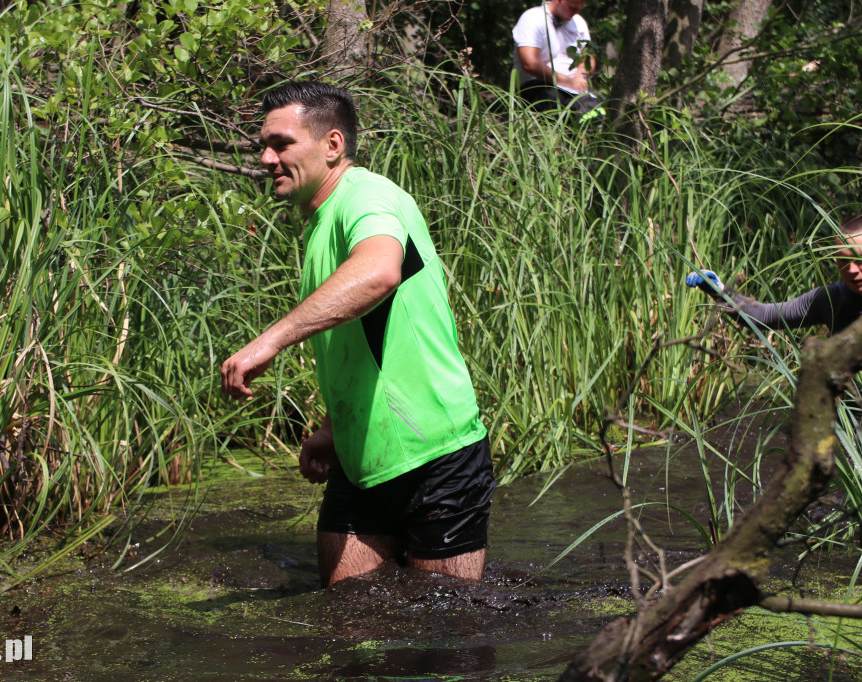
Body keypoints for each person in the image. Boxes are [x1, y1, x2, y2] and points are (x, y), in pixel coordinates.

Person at [220, 81, 496, 588]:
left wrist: (271, 340)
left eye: (281, 143)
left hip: (436, 455)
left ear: (332, 145)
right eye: (263, 145)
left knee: (449, 637)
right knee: (347, 624)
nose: (265, 158)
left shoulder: (367, 194)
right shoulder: (320, 221)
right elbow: (364, 334)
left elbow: (379, 273)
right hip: (361, 455)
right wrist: (332, 426)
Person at [686, 214, 862, 334]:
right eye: (843, 260)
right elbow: (764, 317)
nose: (851, 270)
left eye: (860, 259)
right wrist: (720, 292)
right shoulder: (830, 299)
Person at [511, 0, 600, 118]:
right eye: (572, 7)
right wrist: (568, 81)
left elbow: (589, 57)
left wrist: (581, 74)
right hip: (538, 86)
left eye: (580, 8)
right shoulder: (533, 18)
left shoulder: (579, 22)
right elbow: (529, 63)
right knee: (551, 101)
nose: (576, 12)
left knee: (598, 110)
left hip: (574, 91)